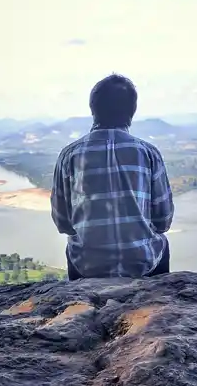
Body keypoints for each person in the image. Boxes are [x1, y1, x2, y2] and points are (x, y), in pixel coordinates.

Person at [50, 74, 174, 280]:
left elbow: (63, 223)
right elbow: (163, 221)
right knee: (161, 243)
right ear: (131, 111)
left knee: (74, 246)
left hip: (87, 267)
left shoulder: (69, 155)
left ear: (93, 109)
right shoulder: (148, 153)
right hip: (144, 265)